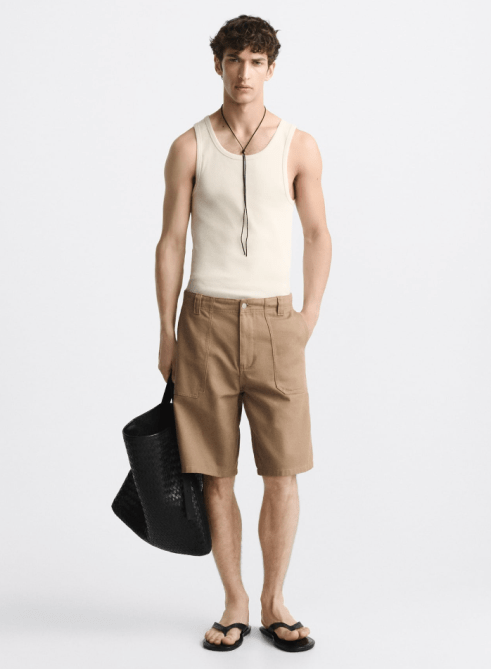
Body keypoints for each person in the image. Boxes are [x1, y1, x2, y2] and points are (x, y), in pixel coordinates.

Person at [155, 14, 332, 652]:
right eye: (234, 59)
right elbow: (171, 241)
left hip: (275, 321)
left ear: (272, 69)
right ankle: (234, 602)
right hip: (203, 320)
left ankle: (274, 601)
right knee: (215, 475)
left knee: (282, 471)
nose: (244, 73)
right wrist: (166, 331)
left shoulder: (299, 145)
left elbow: (318, 234)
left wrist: (308, 316)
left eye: (257, 61)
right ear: (218, 65)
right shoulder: (189, 145)